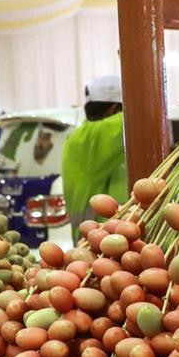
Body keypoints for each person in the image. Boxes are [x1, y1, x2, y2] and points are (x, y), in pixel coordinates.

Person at [62, 74, 127, 240]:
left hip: (99, 239)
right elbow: (138, 115)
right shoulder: (91, 138)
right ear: (114, 110)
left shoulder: (82, 138)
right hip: (100, 241)